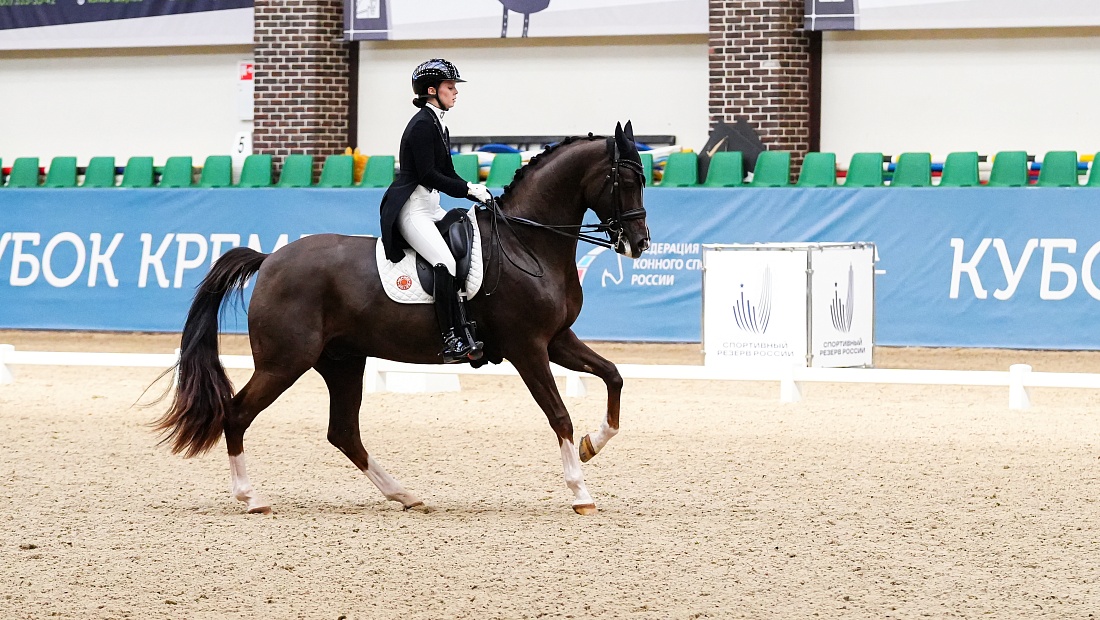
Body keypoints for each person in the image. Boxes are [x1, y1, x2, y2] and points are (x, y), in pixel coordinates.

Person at [378, 58, 489, 363]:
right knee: (445, 263)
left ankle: (470, 325)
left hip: (433, 207)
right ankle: (450, 337)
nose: (455, 92)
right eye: (449, 86)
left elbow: (448, 171)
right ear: (431, 90)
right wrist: (467, 189)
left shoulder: (439, 123)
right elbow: (428, 174)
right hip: (412, 210)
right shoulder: (422, 126)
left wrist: (473, 189)